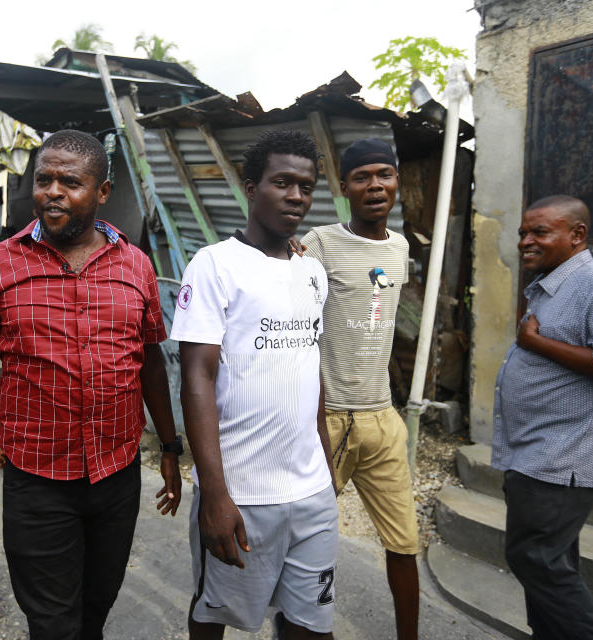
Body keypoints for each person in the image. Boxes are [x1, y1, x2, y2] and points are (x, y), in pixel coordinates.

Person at [0, 129, 183, 639]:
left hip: (115, 476)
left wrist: (170, 445)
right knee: (53, 624)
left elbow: (149, 362)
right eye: (44, 179)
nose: (53, 191)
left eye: (70, 182)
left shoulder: (136, 267)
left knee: (94, 613)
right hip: (36, 479)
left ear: (102, 192)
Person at [171, 130, 337, 639]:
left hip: (312, 493)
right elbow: (196, 377)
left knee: (310, 626)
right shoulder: (215, 265)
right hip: (241, 495)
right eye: (281, 182)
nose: (296, 196)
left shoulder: (313, 273)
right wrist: (215, 494)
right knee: (213, 620)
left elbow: (311, 370)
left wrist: (327, 471)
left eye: (305, 187)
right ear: (250, 187)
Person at [492, 195, 593, 640]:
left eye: (540, 232)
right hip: (537, 453)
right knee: (550, 563)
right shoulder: (551, 284)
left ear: (576, 235)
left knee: (536, 560)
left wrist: (536, 344)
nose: (526, 241)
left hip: (563, 456)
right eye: (523, 232)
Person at [300, 138, 420, 640]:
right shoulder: (318, 244)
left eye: (385, 175)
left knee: (405, 543)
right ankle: (301, 627)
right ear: (344, 186)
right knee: (306, 544)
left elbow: (379, 319)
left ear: (396, 182)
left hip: (381, 419)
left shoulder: (400, 248)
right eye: (363, 177)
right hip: (323, 419)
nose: (376, 186)